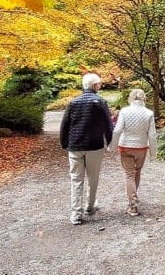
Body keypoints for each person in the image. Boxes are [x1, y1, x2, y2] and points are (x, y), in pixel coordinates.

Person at [60, 73, 114, 225]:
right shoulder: (101, 102)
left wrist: (64, 143)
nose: (100, 86)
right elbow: (108, 125)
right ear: (95, 86)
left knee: (76, 179)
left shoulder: (73, 102)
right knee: (93, 178)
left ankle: (76, 214)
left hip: (75, 145)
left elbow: (65, 124)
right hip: (94, 146)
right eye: (99, 84)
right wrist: (110, 142)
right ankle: (90, 207)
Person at [108, 89, 157, 217]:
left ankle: (133, 205)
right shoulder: (149, 113)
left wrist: (112, 146)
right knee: (137, 172)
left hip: (126, 147)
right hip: (141, 147)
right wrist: (153, 153)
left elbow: (117, 130)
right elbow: (152, 135)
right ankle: (133, 199)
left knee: (129, 174)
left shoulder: (124, 111)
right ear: (144, 99)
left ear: (131, 98)